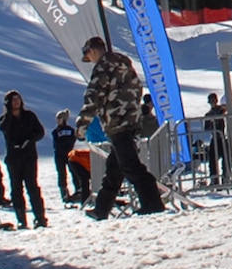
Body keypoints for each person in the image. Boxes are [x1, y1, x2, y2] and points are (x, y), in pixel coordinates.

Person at [76, 35, 163, 218]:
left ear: (92, 50)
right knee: (114, 168)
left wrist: (81, 126)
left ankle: (153, 202)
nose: (90, 61)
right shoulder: (125, 65)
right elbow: (137, 90)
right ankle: (102, 209)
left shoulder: (102, 67)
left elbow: (93, 98)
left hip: (116, 124)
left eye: (88, 56)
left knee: (131, 166)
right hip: (131, 122)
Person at [0, 90, 48, 229]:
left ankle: (40, 217)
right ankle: (21, 219)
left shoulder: (29, 116)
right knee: (16, 189)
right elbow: (4, 128)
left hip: (29, 156)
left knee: (32, 186)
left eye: (18, 99)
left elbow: (40, 132)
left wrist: (30, 140)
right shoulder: (4, 119)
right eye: (13, 100)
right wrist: (9, 114)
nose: (16, 102)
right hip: (13, 158)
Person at [52, 109, 87, 205]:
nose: (58, 120)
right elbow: (57, 142)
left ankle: (78, 190)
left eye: (59, 118)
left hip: (69, 154)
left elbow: (72, 140)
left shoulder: (71, 130)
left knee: (74, 172)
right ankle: (64, 193)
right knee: (61, 173)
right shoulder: (55, 131)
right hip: (59, 155)